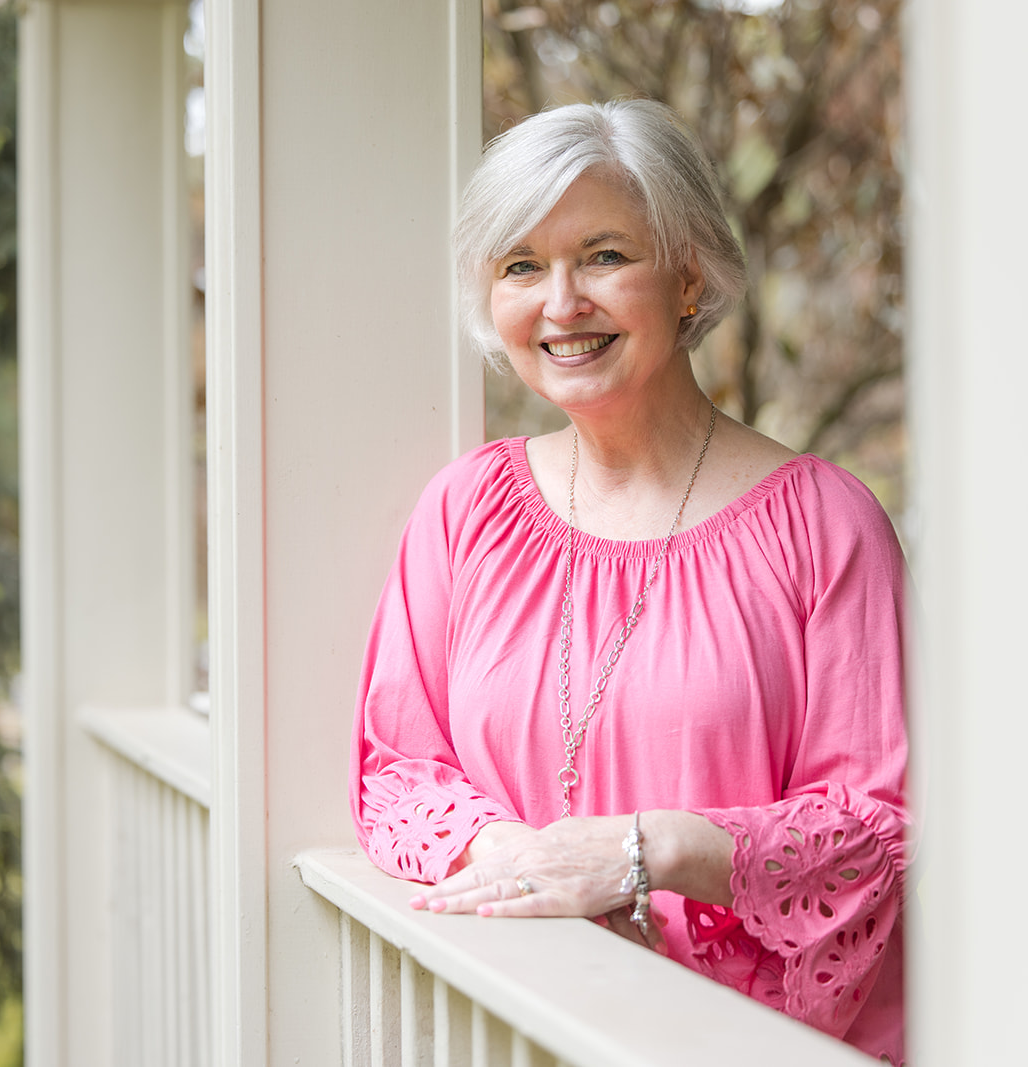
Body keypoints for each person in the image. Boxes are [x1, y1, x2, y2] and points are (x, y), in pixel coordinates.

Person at [349, 100, 909, 1063]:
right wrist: (523, 868)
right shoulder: (464, 511)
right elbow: (396, 767)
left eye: (604, 256)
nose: (561, 303)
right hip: (516, 1028)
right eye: (521, 265)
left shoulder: (825, 524)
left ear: (689, 274)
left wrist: (636, 855)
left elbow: (875, 833)